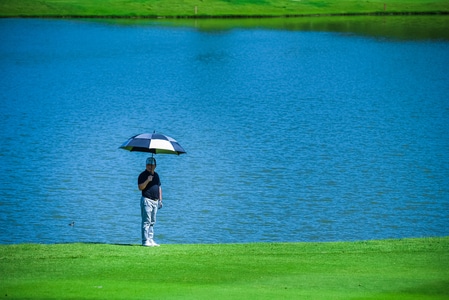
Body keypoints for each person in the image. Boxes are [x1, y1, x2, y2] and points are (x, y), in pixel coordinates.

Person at [138, 157, 163, 247]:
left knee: (152, 221)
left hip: (155, 201)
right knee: (146, 221)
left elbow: (159, 187)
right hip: (146, 200)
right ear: (146, 165)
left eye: (152, 165)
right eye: (148, 165)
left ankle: (150, 239)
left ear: (155, 166)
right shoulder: (142, 175)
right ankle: (145, 241)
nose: (150, 166)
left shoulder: (156, 175)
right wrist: (147, 180)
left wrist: (160, 200)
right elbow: (140, 187)